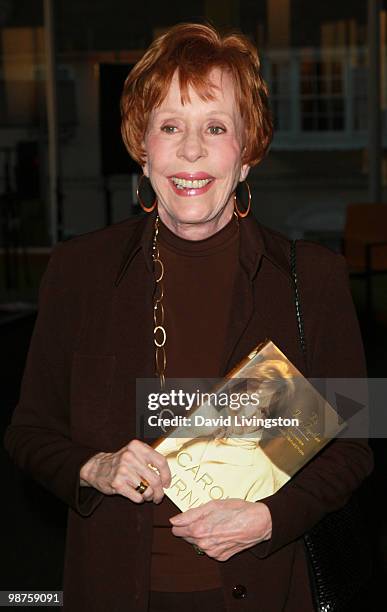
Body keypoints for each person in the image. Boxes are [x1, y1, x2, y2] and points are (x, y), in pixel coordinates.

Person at [4, 22, 373, 612]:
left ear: (248, 153)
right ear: (142, 147)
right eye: (170, 126)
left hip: (264, 591)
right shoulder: (81, 271)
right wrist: (94, 466)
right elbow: (28, 433)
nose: (192, 150)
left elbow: (355, 446)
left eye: (216, 127)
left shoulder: (312, 278)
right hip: (114, 591)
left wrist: (270, 518)